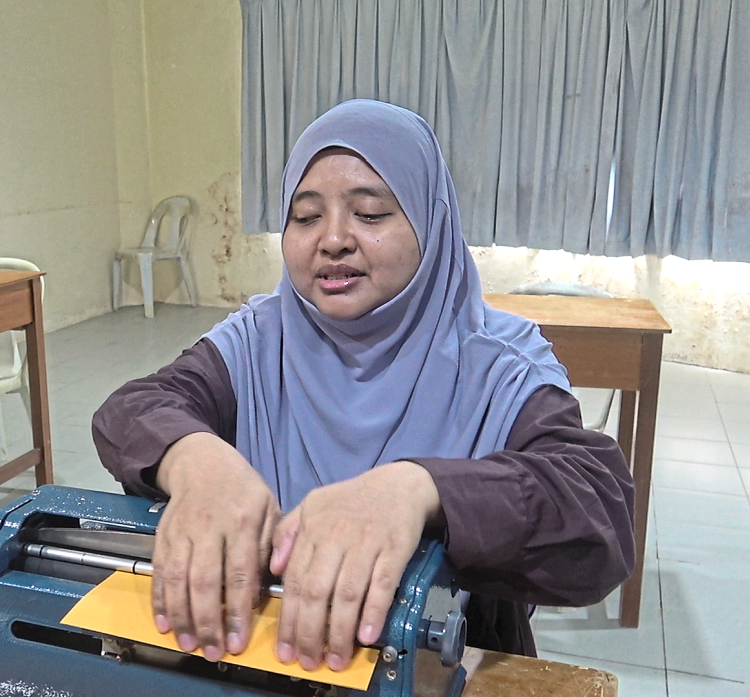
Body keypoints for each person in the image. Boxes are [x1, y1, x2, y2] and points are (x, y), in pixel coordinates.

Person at [93, 99, 634, 673]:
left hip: (437, 670)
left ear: (431, 220)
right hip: (266, 658)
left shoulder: (500, 363)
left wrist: (419, 491)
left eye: (370, 214)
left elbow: (597, 510)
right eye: (305, 217)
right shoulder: (259, 339)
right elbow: (135, 408)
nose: (333, 240)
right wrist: (198, 463)